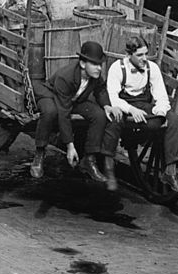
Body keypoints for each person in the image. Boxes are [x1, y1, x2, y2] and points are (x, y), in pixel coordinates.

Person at [31, 39, 120, 189]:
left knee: (98, 114)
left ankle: (89, 160)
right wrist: (70, 146)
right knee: (50, 112)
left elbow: (101, 90)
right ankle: (39, 153)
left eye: (100, 64)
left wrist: (106, 106)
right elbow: (63, 113)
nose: (99, 68)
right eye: (95, 64)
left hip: (74, 100)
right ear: (83, 64)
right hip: (51, 95)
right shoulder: (65, 77)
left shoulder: (95, 76)